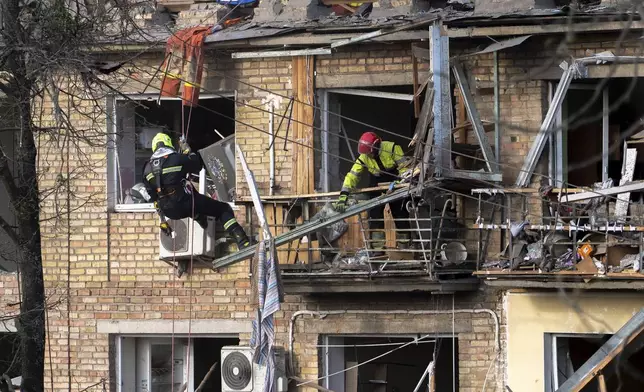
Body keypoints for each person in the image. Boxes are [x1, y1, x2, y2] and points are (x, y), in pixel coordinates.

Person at [142, 132, 252, 249]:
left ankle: (200, 218)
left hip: (169, 211)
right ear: (168, 144)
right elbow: (197, 165)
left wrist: (162, 221)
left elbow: (153, 198)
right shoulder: (176, 159)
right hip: (185, 202)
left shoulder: (146, 169)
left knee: (192, 198)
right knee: (223, 209)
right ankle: (243, 241)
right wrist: (188, 151)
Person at [335, 131, 411, 252]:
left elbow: (405, 168)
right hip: (376, 184)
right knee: (375, 218)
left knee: (401, 216)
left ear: (376, 146)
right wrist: (343, 195)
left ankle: (405, 250)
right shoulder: (364, 156)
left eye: (369, 153)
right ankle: (378, 251)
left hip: (396, 182)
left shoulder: (392, 148)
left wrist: (401, 181)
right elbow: (352, 175)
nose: (368, 156)